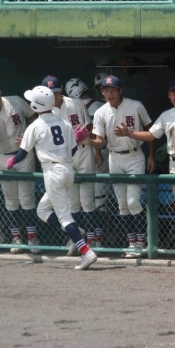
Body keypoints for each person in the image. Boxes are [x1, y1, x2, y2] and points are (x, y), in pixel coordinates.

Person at [116, 79, 175, 260]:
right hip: (174, 164)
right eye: (174, 93)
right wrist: (129, 133)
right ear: (169, 95)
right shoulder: (166, 115)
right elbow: (151, 135)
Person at [7, 85, 98, 270]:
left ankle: (86, 251)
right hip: (68, 171)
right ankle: (77, 232)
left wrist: (12, 161)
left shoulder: (35, 125)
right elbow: (73, 149)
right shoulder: (64, 122)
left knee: (64, 217)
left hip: (53, 173)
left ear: (36, 105)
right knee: (42, 211)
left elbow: (23, 153)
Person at [87, 75, 155, 258]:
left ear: (120, 90)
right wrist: (89, 142)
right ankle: (132, 242)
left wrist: (151, 155)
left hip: (135, 156)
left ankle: (141, 240)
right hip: (114, 157)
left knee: (133, 202)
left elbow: (151, 131)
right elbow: (100, 141)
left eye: (112, 90)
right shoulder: (101, 112)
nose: (109, 93)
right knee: (122, 205)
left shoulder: (136, 105)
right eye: (106, 90)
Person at [0, 80, 40, 254]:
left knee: (27, 197)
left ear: (0, 93)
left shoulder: (16, 101)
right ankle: (16, 237)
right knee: (10, 199)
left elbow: (33, 116)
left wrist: (30, 134)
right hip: (2, 157)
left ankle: (32, 237)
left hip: (23, 154)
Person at [41, 75, 99, 250]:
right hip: (64, 157)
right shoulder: (45, 112)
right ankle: (77, 239)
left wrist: (93, 147)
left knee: (87, 200)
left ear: (61, 90)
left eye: (56, 92)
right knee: (72, 202)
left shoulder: (76, 103)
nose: (54, 96)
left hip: (83, 151)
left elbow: (90, 126)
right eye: (50, 93)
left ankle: (92, 238)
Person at [65, 76, 108, 246]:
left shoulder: (90, 106)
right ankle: (96, 236)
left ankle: (90, 237)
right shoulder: (99, 105)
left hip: (94, 151)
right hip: (99, 152)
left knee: (88, 200)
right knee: (95, 199)